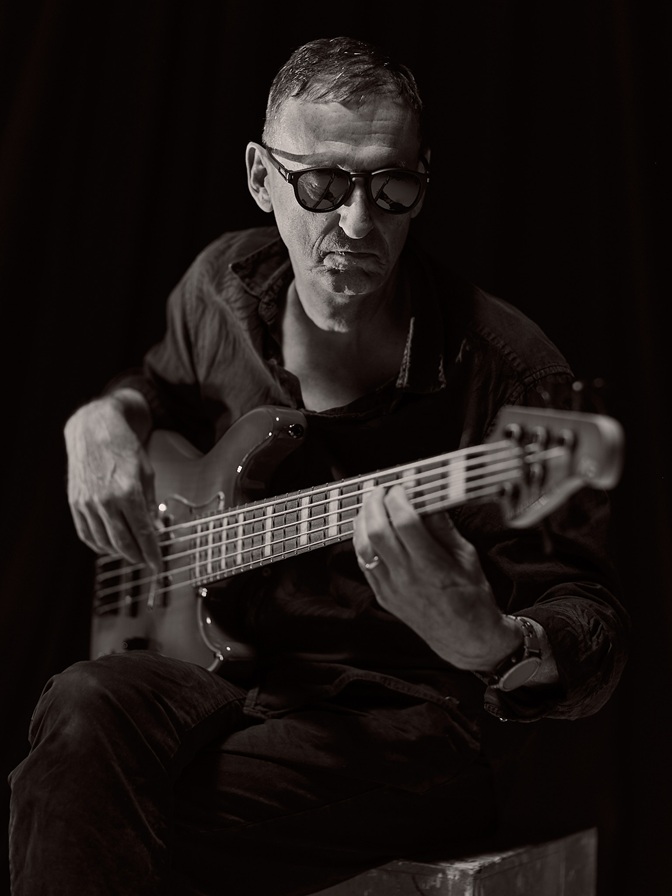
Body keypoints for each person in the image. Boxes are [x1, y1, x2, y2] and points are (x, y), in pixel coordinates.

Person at [8, 35, 629, 896]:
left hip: (402, 723)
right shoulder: (219, 289)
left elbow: (591, 625)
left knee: (71, 806)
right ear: (262, 179)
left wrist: (493, 641)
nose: (357, 224)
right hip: (220, 679)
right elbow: (161, 385)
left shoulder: (516, 376)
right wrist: (107, 414)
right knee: (81, 706)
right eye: (323, 185)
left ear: (422, 184)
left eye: (391, 186)